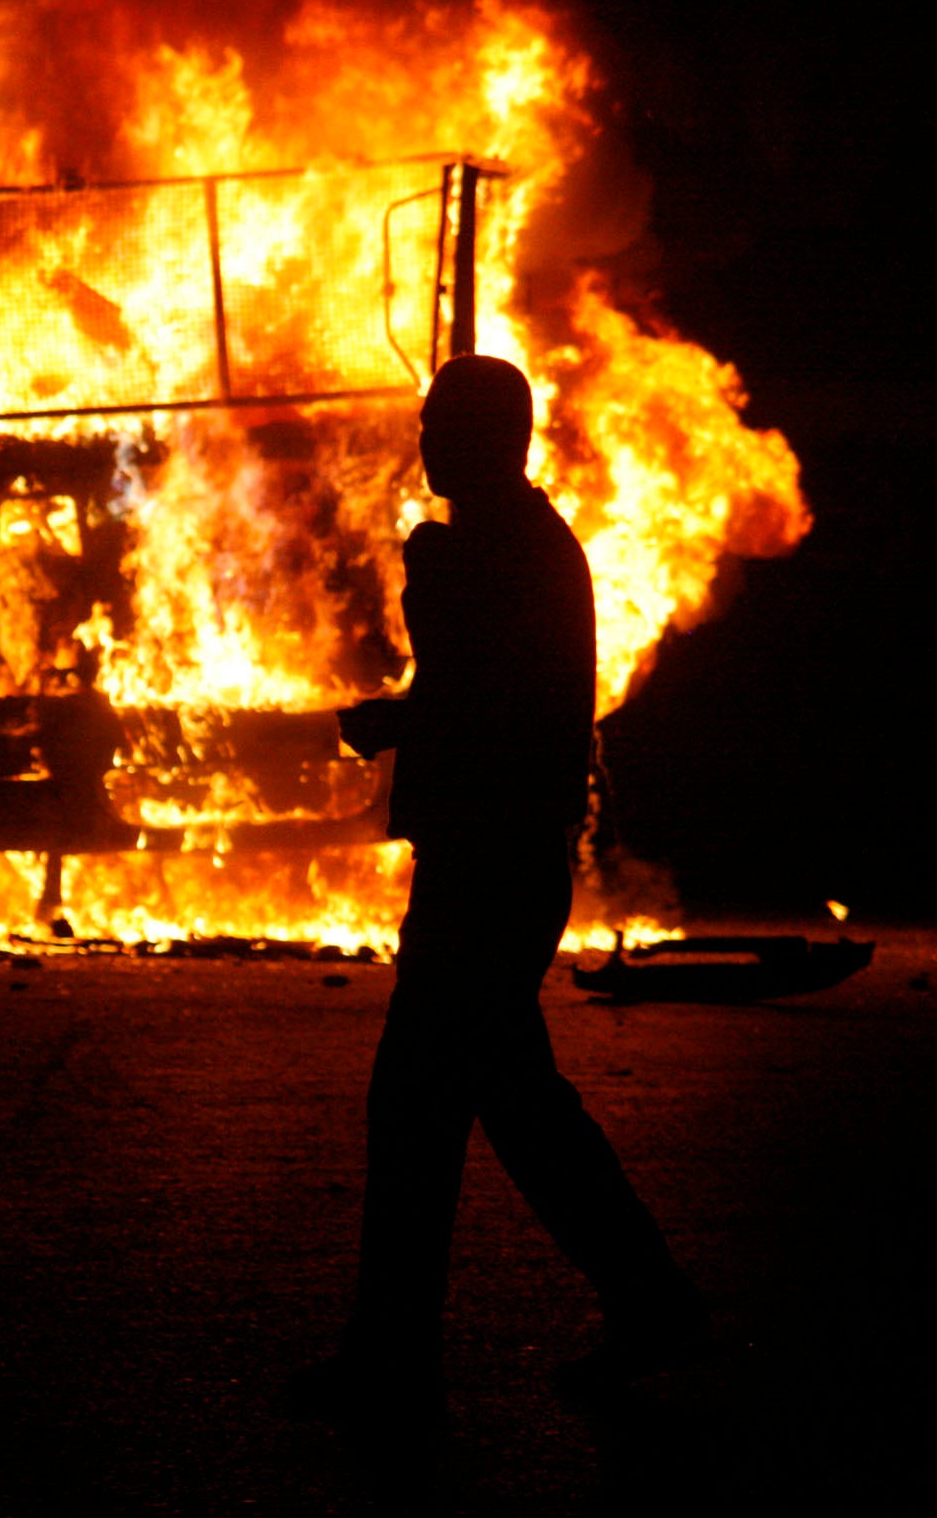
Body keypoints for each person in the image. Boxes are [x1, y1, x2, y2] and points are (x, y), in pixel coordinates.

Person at [294, 354, 705, 1429]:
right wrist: (403, 709)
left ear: (488, 436)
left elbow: (481, 699)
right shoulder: (517, 546)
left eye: (439, 424)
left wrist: (416, 628)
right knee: (513, 1104)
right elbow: (476, 691)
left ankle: (393, 1361)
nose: (422, 440)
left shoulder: (491, 552)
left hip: (489, 865)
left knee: (416, 1106)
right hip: (498, 860)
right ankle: (647, 1304)